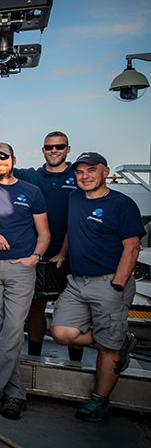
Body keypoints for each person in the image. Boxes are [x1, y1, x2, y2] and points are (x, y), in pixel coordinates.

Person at [50, 152, 143, 422]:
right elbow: (72, 229)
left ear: (105, 172)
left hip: (109, 281)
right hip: (77, 282)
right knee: (60, 333)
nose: (85, 176)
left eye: (91, 170)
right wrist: (63, 254)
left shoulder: (121, 204)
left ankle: (99, 400)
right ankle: (119, 338)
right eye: (79, 172)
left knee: (107, 350)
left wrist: (118, 284)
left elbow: (132, 247)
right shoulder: (75, 198)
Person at [0, 143, 50, 420]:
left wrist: (35, 257)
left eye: (2, 157)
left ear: (13, 160)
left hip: (21, 267)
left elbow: (44, 233)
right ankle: (15, 394)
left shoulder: (30, 191)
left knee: (12, 328)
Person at [13, 131, 82, 360]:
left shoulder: (79, 177)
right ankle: (35, 357)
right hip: (39, 253)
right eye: (49, 147)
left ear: (68, 149)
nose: (54, 151)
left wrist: (64, 251)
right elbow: (0, 160)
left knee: (76, 312)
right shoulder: (32, 177)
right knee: (36, 308)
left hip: (71, 254)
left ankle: (76, 362)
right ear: (43, 150)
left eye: (59, 147)